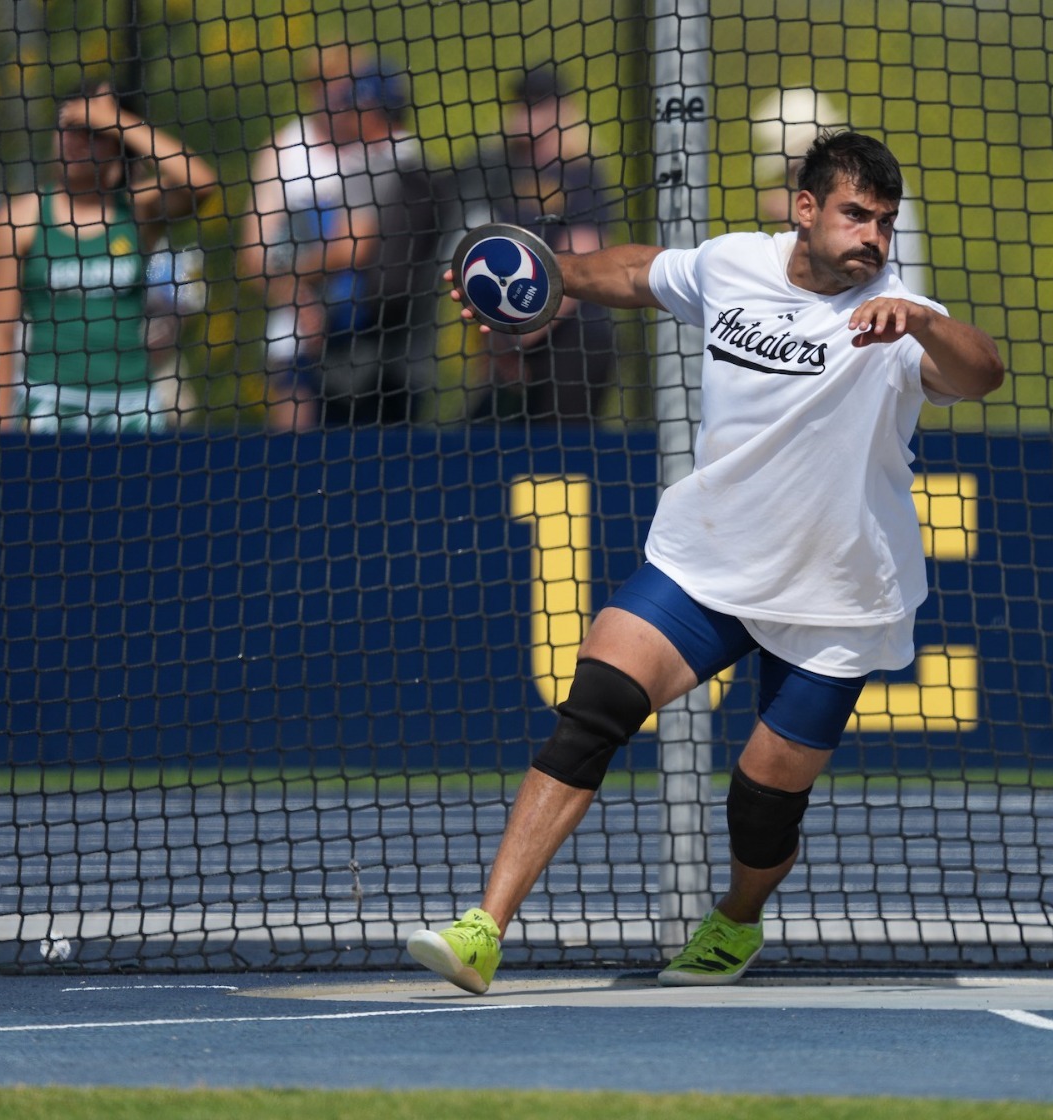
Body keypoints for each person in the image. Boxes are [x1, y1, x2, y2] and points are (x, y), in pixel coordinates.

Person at [409, 131, 1004, 992]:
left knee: (761, 807)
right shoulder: (733, 266)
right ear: (806, 209)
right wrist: (548, 282)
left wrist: (925, 319)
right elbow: (640, 273)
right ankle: (482, 930)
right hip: (710, 562)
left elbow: (984, 374)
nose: (871, 237)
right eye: (854, 215)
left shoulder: (899, 320)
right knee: (597, 707)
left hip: (837, 594)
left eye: (882, 221)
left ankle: (735, 920)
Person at [0, 84, 216, 431]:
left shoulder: (137, 211)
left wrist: (118, 121)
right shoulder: (20, 220)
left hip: (133, 408)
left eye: (92, 132)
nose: (74, 141)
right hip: (50, 405)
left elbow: (201, 183)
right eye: (68, 128)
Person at [245, 48, 429, 427]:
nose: (334, 100)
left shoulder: (386, 160)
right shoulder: (286, 149)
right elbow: (254, 255)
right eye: (324, 85)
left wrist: (301, 282)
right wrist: (297, 297)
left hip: (370, 343)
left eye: (344, 89)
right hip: (305, 339)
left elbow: (353, 245)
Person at [460, 66, 618, 423]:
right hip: (511, 335)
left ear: (561, 109)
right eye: (520, 103)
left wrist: (521, 337)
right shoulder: (499, 171)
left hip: (572, 338)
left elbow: (582, 261)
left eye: (536, 104)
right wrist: (502, 344)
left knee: (560, 456)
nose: (524, 113)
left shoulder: (581, 172)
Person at [751, 88, 932, 297]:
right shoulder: (875, 174)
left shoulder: (871, 182)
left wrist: (794, 215)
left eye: (794, 170)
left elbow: (832, 250)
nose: (794, 180)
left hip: (881, 310)